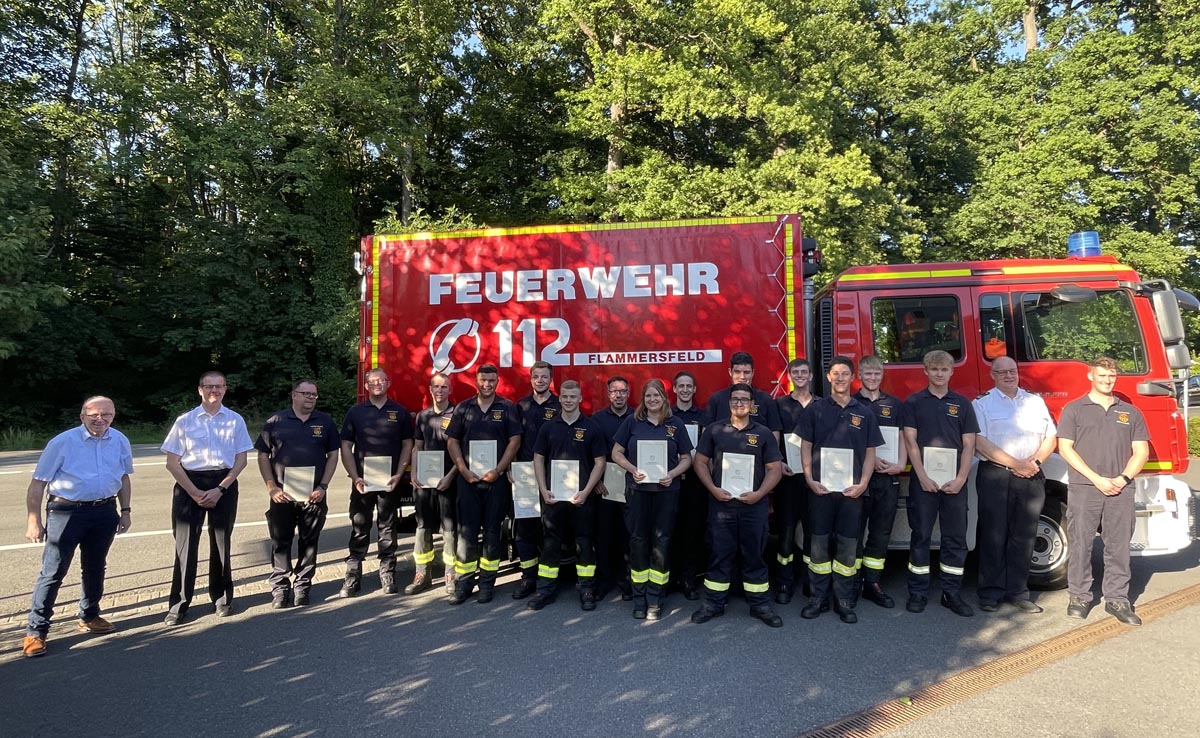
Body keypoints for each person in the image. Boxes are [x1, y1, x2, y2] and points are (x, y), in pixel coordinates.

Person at [22, 397, 133, 658]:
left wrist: (125, 511)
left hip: (105, 511)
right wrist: (33, 519)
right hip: (66, 511)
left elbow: (124, 477)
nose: (100, 419)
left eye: (106, 414)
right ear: (82, 416)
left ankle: (90, 615)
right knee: (53, 571)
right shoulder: (63, 442)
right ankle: (36, 631)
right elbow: (38, 482)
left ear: (113, 416)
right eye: (94, 414)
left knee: (95, 566)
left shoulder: (119, 440)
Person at [1057, 357, 1149, 626]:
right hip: (1085, 487)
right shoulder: (1074, 410)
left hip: (1121, 489)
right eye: (1102, 376)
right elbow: (1065, 448)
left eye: (1111, 376)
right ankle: (1079, 596)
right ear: (1090, 376)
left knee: (1118, 546)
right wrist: (1096, 478)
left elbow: (1141, 451)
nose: (1107, 381)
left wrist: (1122, 478)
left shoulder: (1130, 412)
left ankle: (1117, 599)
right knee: (1081, 543)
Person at [161, 371, 254, 626]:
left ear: (225, 389)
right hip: (189, 484)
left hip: (223, 484)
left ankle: (222, 598)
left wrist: (220, 489)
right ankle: (179, 604)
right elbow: (172, 462)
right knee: (185, 546)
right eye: (209, 386)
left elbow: (241, 460)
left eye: (219, 386)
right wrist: (193, 492)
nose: (214, 390)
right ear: (200, 389)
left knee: (221, 542)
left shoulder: (235, 421)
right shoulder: (185, 421)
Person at [691, 383, 785, 628]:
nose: (739, 403)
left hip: (754, 506)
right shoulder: (714, 430)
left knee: (754, 555)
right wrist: (712, 489)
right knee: (719, 554)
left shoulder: (763, 433)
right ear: (729, 402)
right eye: (735, 399)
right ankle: (713, 603)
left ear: (752, 405)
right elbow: (700, 462)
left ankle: (760, 605)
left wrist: (760, 494)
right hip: (722, 505)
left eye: (744, 399)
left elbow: (774, 469)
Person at [798, 356, 883, 624]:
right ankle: (818, 598)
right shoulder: (815, 410)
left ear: (852, 377)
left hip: (852, 491)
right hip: (820, 490)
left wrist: (864, 484)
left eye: (845, 374)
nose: (840, 378)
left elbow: (871, 453)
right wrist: (810, 479)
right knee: (819, 546)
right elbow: (805, 446)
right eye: (835, 373)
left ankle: (844, 600)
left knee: (848, 546)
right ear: (828, 377)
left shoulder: (865, 413)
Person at [972, 356, 1057, 614]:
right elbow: (980, 442)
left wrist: (1035, 461)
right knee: (993, 535)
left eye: (1013, 371)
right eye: (1003, 372)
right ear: (993, 375)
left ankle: (1019, 592)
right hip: (995, 475)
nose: (1009, 375)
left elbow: (1051, 437)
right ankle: (990, 593)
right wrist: (1014, 464)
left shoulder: (1035, 402)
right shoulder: (982, 403)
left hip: (1031, 475)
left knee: (1024, 536)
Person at [903, 350, 979, 617]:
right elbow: (910, 441)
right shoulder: (913, 402)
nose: (938, 373)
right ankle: (918, 592)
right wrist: (921, 475)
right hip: (923, 482)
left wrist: (961, 478)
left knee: (955, 539)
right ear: (925, 371)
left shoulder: (962, 403)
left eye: (943, 369)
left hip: (954, 484)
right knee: (920, 536)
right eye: (933, 369)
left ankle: (952, 593)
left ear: (951, 372)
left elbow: (970, 444)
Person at [612, 379, 694, 619]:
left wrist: (672, 474)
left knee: (662, 542)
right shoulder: (632, 422)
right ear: (643, 399)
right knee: (638, 541)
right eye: (648, 396)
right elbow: (616, 452)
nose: (652, 400)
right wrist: (631, 468)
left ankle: (655, 598)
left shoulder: (675, 424)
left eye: (656, 396)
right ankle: (639, 599)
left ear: (664, 398)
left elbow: (687, 458)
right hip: (638, 491)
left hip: (666, 492)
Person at [256, 379, 341, 608]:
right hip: (282, 495)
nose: (310, 398)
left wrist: (323, 486)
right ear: (294, 395)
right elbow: (263, 456)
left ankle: (303, 586)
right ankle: (280, 588)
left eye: (314, 395)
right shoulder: (276, 421)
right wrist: (272, 487)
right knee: (280, 542)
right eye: (306, 394)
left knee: (309, 542)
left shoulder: (325, 422)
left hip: (313, 495)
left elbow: (333, 455)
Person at [527, 380, 608, 611]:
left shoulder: (592, 428)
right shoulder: (548, 427)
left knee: (584, 543)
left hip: (582, 499)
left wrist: (586, 491)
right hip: (553, 498)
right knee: (550, 544)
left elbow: (600, 462)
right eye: (565, 396)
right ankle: (545, 590)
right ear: (559, 398)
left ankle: (586, 589)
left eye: (573, 397)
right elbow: (538, 458)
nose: (569, 400)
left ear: (580, 398)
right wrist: (543, 490)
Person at [446, 364, 522, 604]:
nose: (487, 384)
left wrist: (499, 470)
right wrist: (463, 470)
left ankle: (487, 583)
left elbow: (515, 441)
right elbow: (452, 441)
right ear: (476, 381)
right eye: (483, 380)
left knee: (492, 532)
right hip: (467, 481)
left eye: (491, 380)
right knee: (466, 532)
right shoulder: (463, 408)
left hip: (495, 481)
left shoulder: (507, 407)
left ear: (497, 381)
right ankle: (464, 583)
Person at [338, 368, 413, 597]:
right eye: (373, 381)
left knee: (387, 527)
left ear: (388, 383)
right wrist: (354, 476)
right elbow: (345, 447)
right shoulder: (356, 412)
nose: (377, 384)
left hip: (390, 482)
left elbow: (407, 445)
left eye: (381, 380)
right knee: (360, 526)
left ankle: (387, 572)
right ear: (366, 386)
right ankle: (352, 576)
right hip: (363, 482)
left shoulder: (399, 412)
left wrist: (399, 475)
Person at [855, 355, 908, 609]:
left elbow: (902, 438)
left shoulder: (894, 404)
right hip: (860, 479)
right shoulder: (851, 403)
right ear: (860, 375)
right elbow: (847, 442)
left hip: (888, 478)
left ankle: (872, 582)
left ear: (881, 375)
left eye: (877, 374)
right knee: (853, 532)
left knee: (881, 532)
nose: (873, 378)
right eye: (868, 374)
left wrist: (900, 465)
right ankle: (852, 582)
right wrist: (871, 460)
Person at [512, 361, 560, 600]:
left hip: (555, 475)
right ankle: (528, 577)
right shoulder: (521, 406)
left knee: (551, 529)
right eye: (536, 377)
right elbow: (513, 439)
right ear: (530, 379)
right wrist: (510, 468)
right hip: (525, 476)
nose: (540, 380)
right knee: (526, 529)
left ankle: (549, 579)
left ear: (551, 379)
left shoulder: (560, 404)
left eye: (544, 377)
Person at [411, 372, 459, 596]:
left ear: (450, 390)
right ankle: (422, 573)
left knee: (449, 528)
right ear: (430, 390)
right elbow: (417, 447)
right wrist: (414, 472)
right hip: (425, 482)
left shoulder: (458, 414)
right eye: (436, 387)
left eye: (444, 387)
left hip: (449, 480)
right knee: (423, 526)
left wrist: (450, 476)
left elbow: (462, 452)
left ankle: (451, 573)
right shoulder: (422, 416)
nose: (440, 391)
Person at [774, 357, 815, 604]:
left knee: (813, 531)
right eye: (795, 372)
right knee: (786, 531)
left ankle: (811, 582)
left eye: (804, 372)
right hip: (787, 478)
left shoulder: (822, 405)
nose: (800, 375)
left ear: (810, 376)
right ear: (789, 376)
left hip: (812, 480)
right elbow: (774, 438)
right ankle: (784, 583)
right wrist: (779, 461)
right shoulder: (780, 405)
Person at [592, 376, 634, 601]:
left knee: (628, 535)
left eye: (623, 391)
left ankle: (627, 581)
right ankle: (604, 581)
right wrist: (596, 480)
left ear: (629, 394)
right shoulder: (597, 420)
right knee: (605, 535)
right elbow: (591, 453)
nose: (618, 395)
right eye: (614, 391)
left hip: (632, 484)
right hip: (605, 486)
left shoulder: (638, 417)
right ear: (609, 394)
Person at [670, 371, 708, 600]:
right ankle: (670, 577)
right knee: (670, 530)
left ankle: (688, 579)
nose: (684, 390)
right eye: (680, 386)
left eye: (689, 386)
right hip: (670, 483)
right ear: (674, 389)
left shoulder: (703, 418)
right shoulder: (667, 417)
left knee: (693, 532)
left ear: (694, 390)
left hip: (695, 483)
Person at [706, 351, 783, 443]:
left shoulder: (766, 400)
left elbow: (775, 437)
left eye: (746, 372)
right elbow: (706, 436)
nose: (742, 377)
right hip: (723, 456)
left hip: (757, 456)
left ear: (753, 373)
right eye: (737, 372)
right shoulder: (716, 399)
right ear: (730, 372)